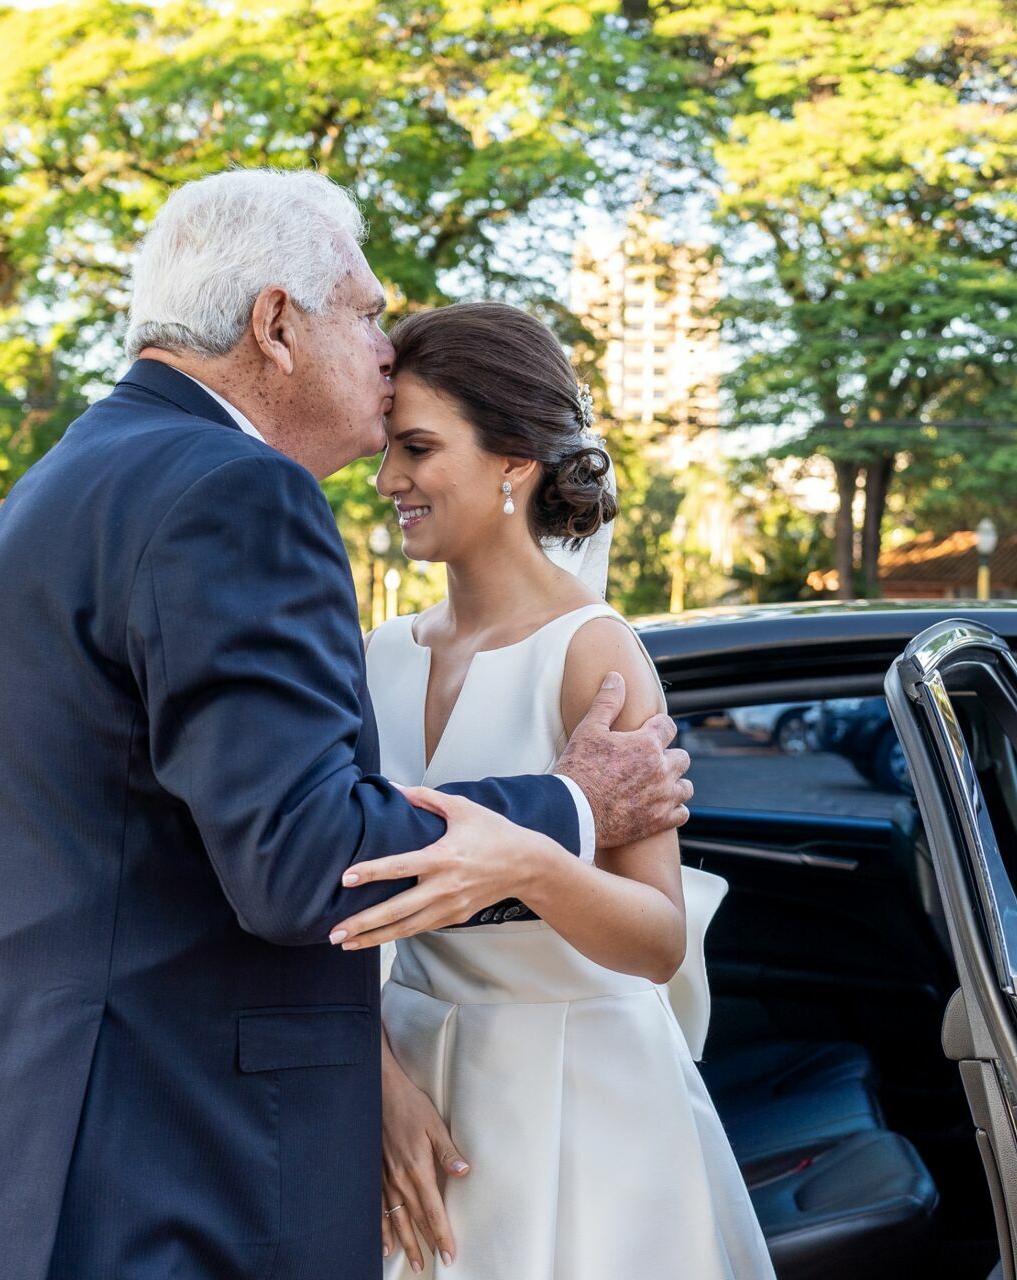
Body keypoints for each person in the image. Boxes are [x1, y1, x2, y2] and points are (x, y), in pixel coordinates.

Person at [0, 170, 692, 1280]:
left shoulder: (76, 472)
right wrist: (572, 803)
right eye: (369, 314)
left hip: (20, 1161)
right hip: (142, 1175)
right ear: (277, 323)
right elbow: (301, 858)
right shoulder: (232, 493)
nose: (386, 349)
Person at [346, 302, 775, 1279]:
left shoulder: (593, 653)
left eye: (416, 447)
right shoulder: (376, 656)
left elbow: (659, 937)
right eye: (386, 447)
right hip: (415, 1087)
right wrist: (377, 1085)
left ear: (513, 461)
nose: (387, 480)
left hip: (582, 1102)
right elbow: (328, 888)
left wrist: (528, 857)